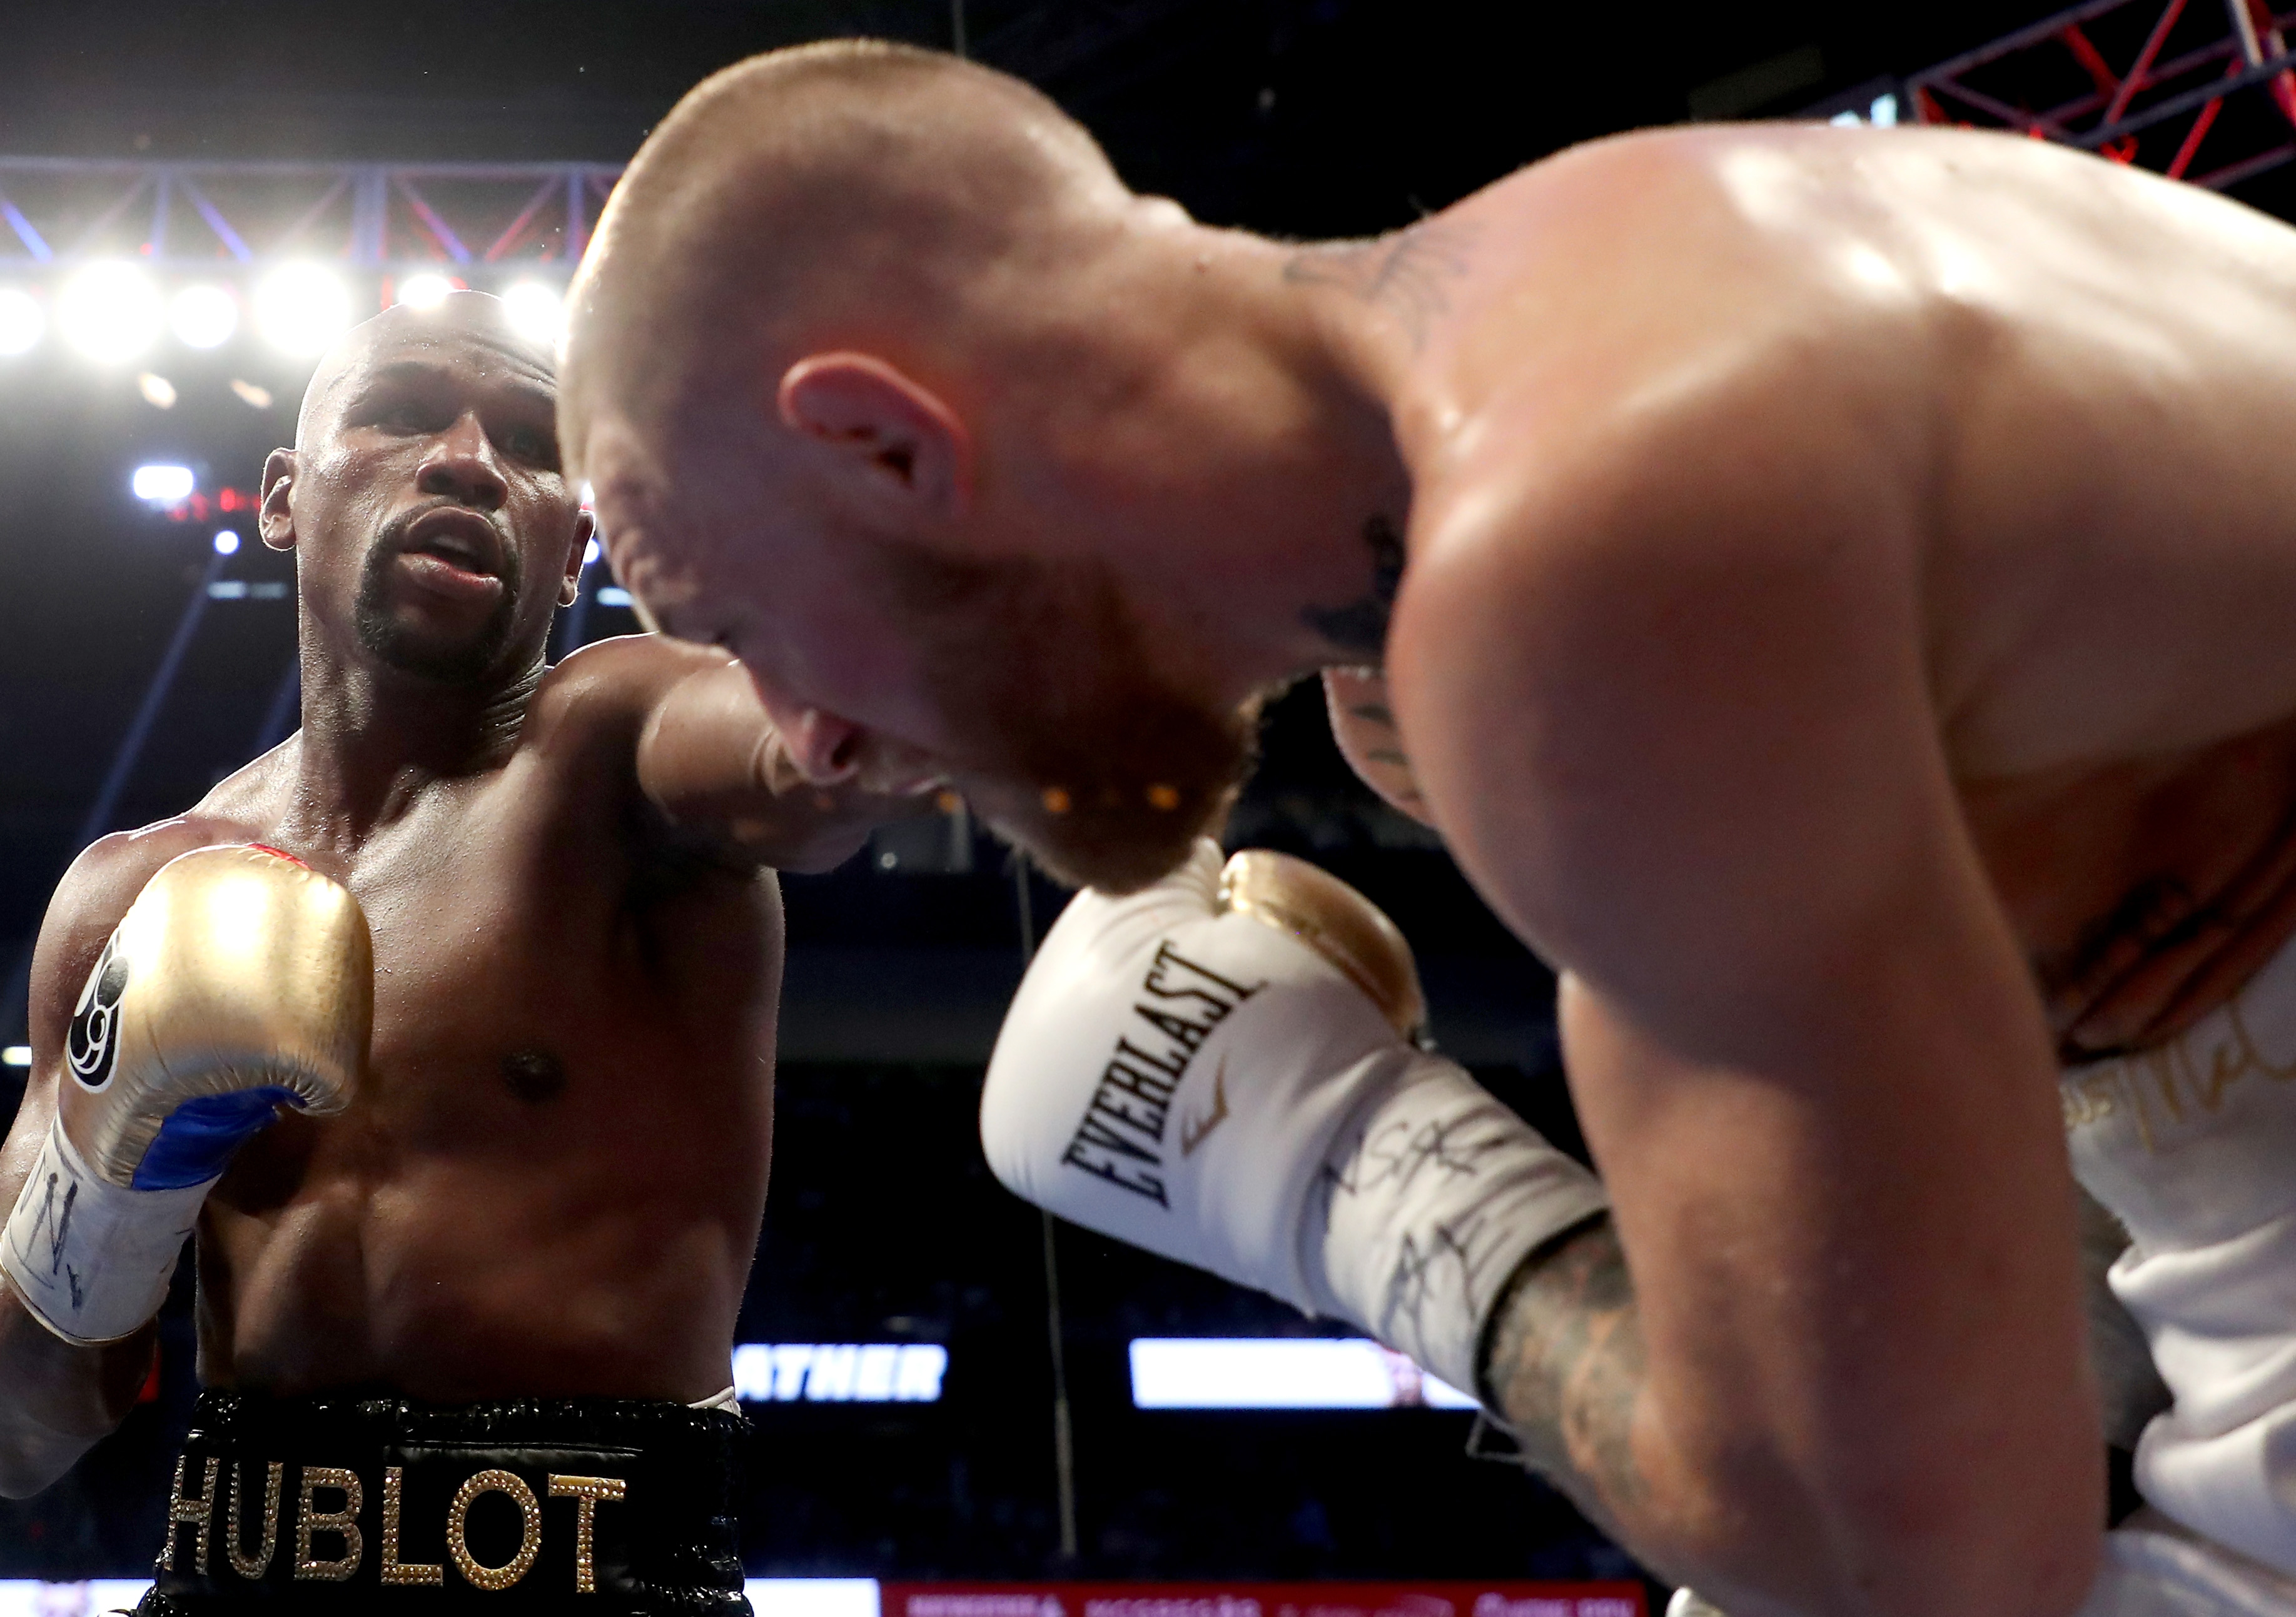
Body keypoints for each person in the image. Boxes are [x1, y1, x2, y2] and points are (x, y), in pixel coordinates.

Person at [557, 37, 2296, 1617]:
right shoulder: (1586, 302)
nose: (806, 737)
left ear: (881, 445)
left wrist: (1346, 1162)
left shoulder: (1574, 559)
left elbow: (1915, 1570)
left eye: (746, 628)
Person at [0, 291, 898, 1616]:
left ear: (575, 550)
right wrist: (109, 1187)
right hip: (229, 1578)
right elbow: (11, 1434)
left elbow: (817, 767)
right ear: (282, 498)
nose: (464, 459)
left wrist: (908, 570)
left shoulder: (616, 751)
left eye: (528, 438)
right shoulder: (137, 891)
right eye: (398, 413)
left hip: (603, 1584)